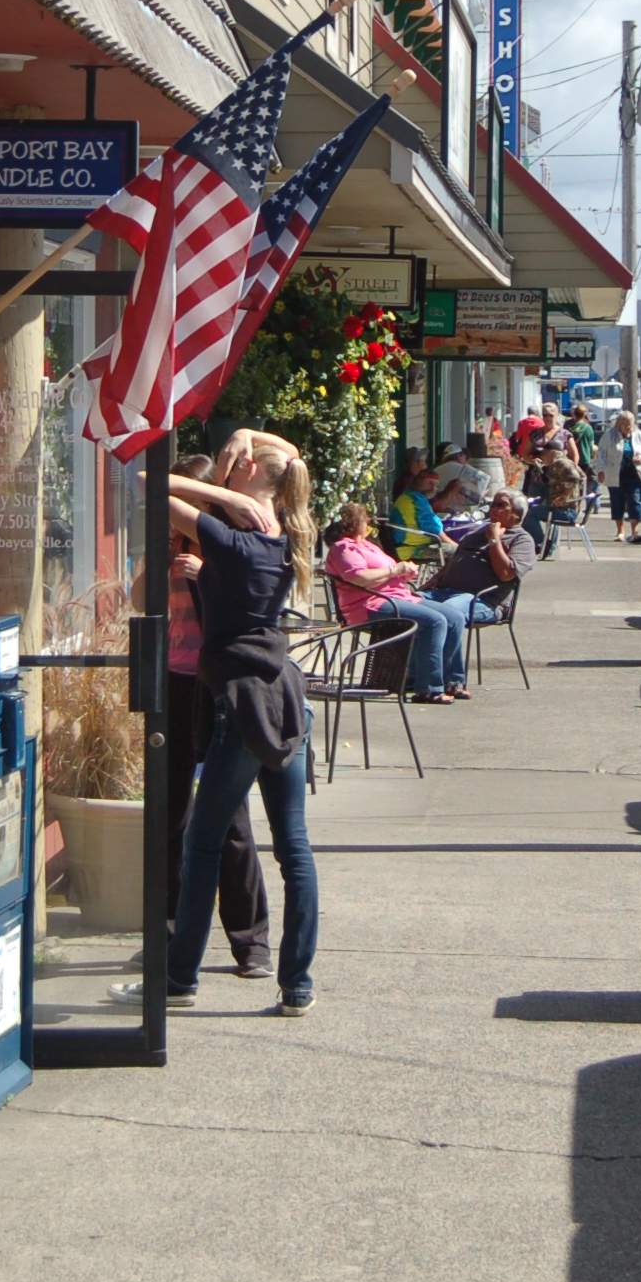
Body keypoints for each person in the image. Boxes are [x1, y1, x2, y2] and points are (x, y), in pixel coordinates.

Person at [165, 427, 320, 1016]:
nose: (236, 465)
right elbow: (292, 459)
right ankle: (297, 984)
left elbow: (147, 482)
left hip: (242, 701)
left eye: (244, 463)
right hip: (284, 696)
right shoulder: (290, 530)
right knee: (294, 848)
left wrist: (228, 501)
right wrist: (245, 436)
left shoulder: (234, 536)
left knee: (202, 843)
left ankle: (180, 978)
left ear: (256, 478)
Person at [166, 481, 273, 976]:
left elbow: (231, 614)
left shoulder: (228, 550)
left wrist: (202, 575)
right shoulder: (170, 551)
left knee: (230, 820)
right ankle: (170, 932)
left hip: (215, 685)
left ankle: (249, 941)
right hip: (172, 680)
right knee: (170, 813)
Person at [411, 490, 539, 699]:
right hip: (444, 592)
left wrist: (495, 541)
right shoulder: (474, 534)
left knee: (449, 613)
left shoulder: (522, 541)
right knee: (407, 604)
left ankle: (451, 681)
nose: (494, 510)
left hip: (483, 600)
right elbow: (453, 563)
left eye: (501, 505)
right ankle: (410, 675)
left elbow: (506, 574)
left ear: (516, 514)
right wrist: (430, 585)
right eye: (493, 504)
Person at [324, 502, 457, 697]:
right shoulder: (344, 547)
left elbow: (385, 573)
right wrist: (394, 570)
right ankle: (428, 688)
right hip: (368, 604)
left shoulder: (367, 545)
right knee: (434, 621)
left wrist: (403, 573)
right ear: (354, 523)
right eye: (364, 519)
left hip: (396, 596)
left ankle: (453, 681)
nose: (368, 523)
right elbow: (359, 578)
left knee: (454, 617)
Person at [598, 407, 641, 544]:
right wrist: (600, 470)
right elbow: (601, 453)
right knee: (617, 502)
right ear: (618, 423)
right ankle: (620, 531)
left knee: (635, 501)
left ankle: (635, 532)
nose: (627, 426)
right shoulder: (610, 435)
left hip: (634, 475)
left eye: (629, 423)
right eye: (624, 423)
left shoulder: (638, 435)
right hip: (616, 475)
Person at [430, 430, 499, 513]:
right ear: (459, 456)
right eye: (464, 457)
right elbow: (482, 487)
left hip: (435, 509)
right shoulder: (467, 470)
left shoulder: (435, 470)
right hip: (459, 512)